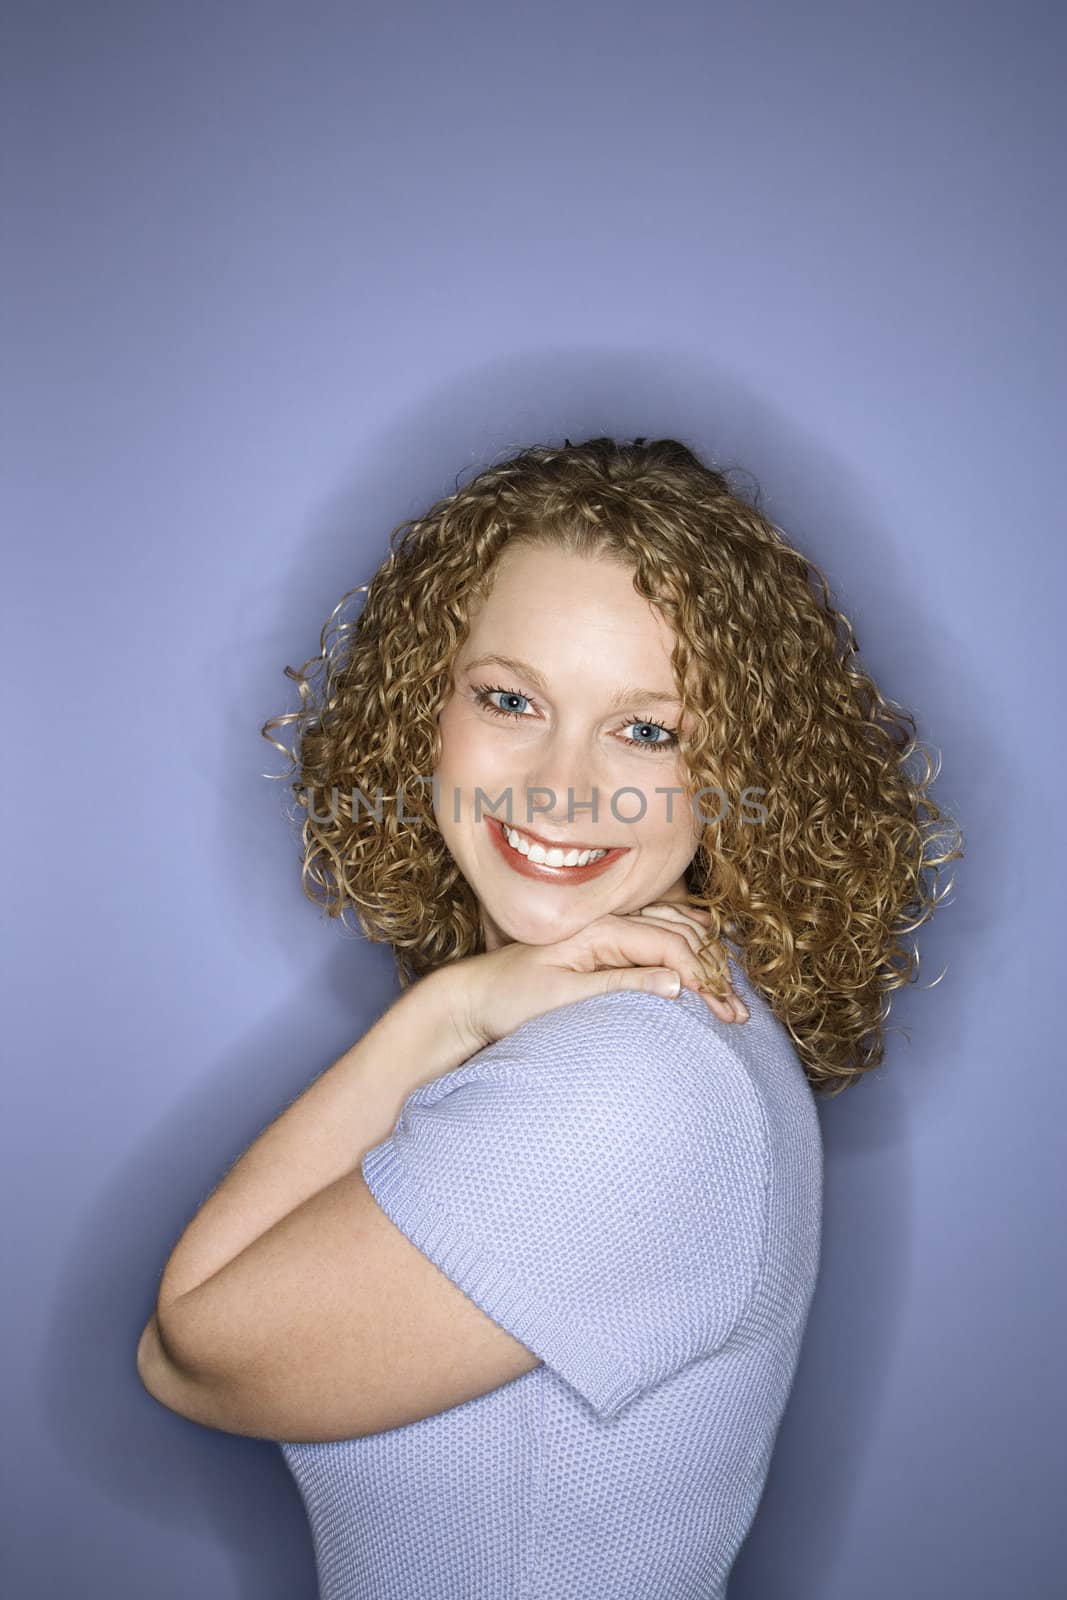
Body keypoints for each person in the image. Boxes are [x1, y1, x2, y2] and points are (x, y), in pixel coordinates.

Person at [136, 436, 962, 1598]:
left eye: (646, 729)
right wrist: (466, 1003)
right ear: (425, 703)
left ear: (733, 770)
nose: (559, 787)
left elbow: (185, 1354)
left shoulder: (624, 1085)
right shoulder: (634, 1011)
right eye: (510, 699)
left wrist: (442, 1015)